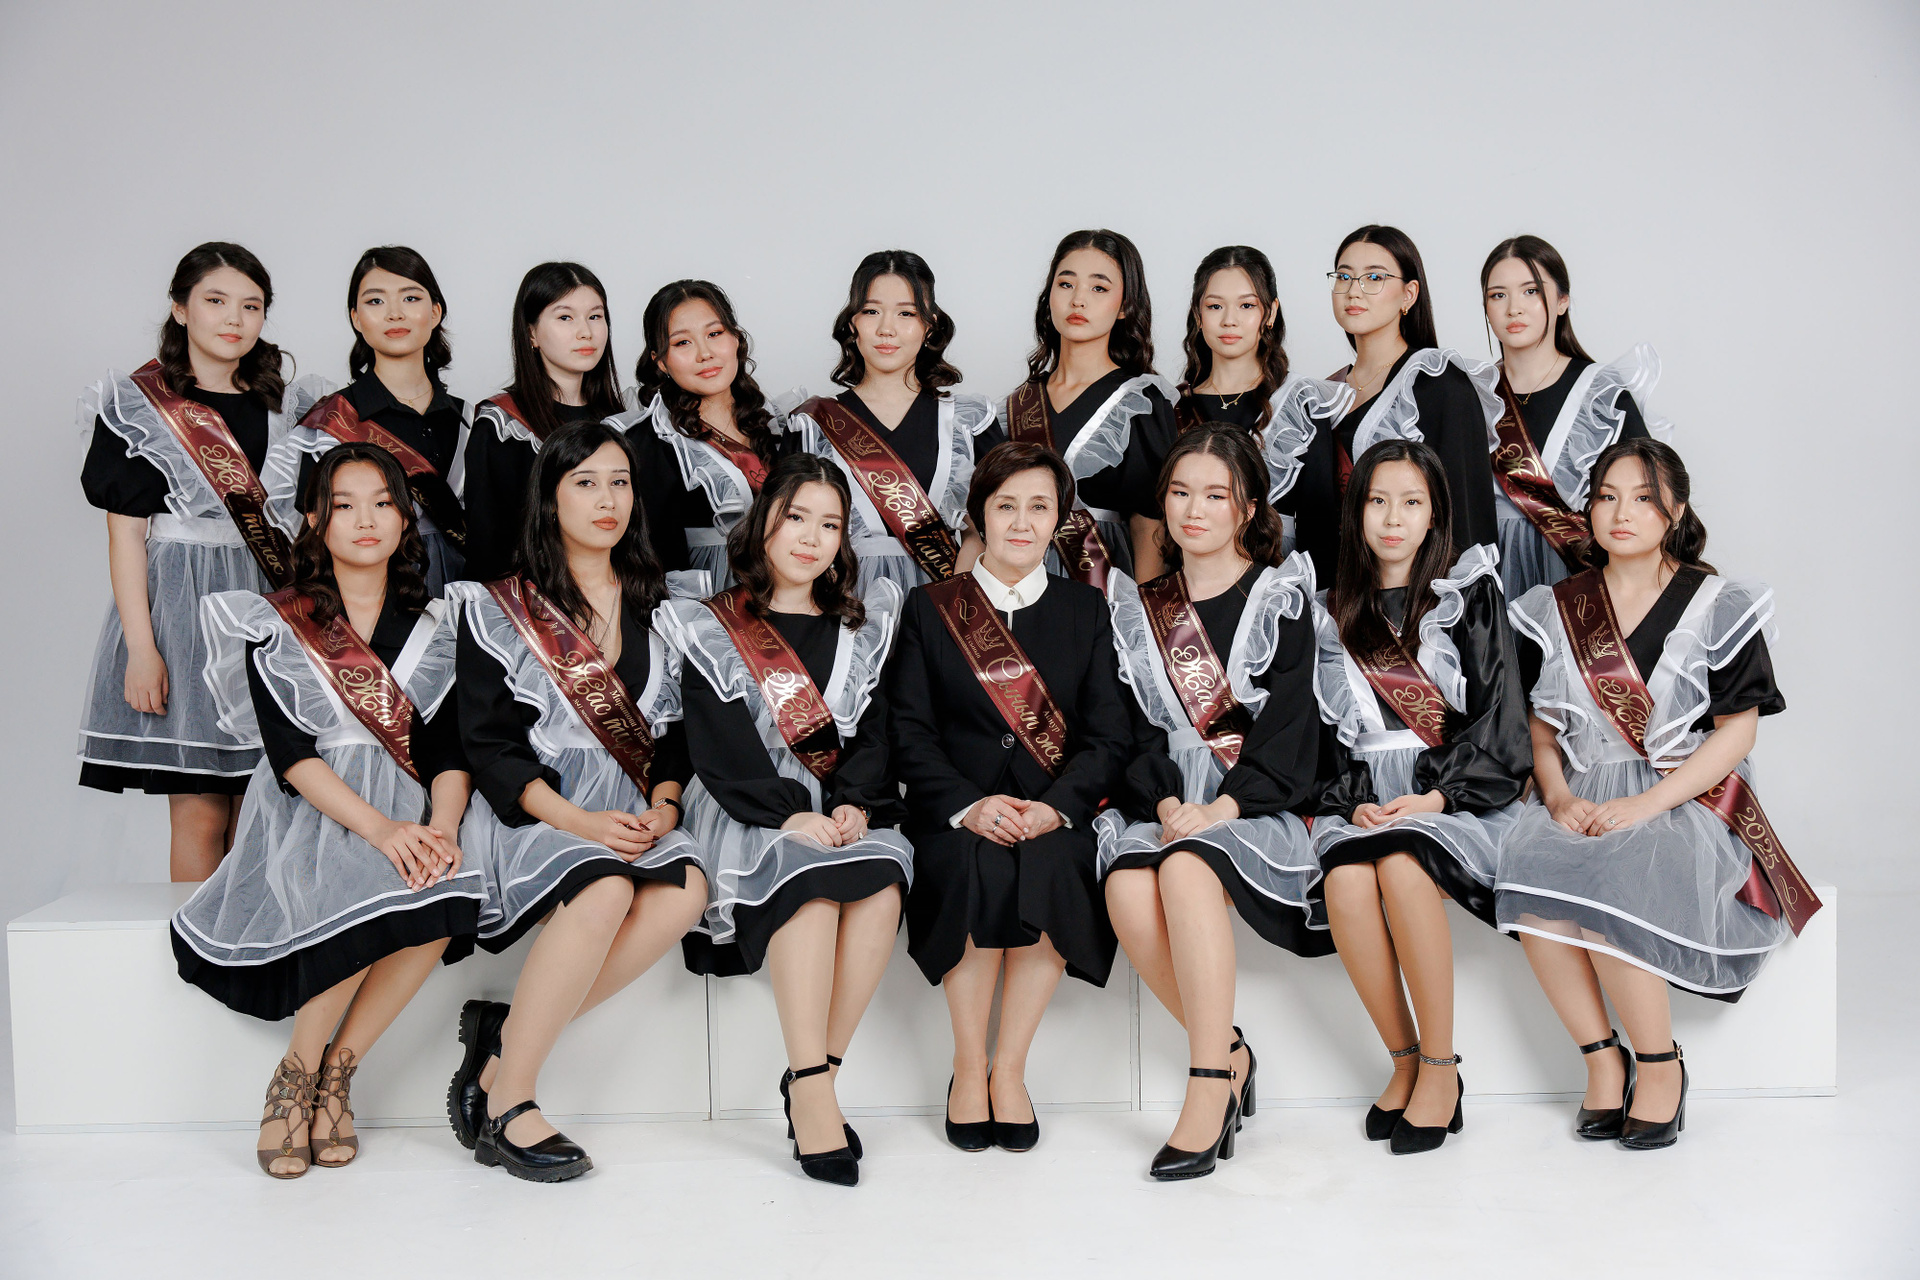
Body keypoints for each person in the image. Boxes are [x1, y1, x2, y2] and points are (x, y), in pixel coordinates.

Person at [171, 443, 480, 1178]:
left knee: (447, 889)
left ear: (405, 520)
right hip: (315, 812)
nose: (366, 520)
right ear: (315, 519)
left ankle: (339, 1070)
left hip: (413, 809)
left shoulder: (436, 628)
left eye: (383, 503)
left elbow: (449, 752)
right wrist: (381, 830)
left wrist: (439, 828)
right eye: (344, 505)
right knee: (360, 882)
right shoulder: (276, 623)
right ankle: (296, 1073)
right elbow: (292, 756)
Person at [1497, 438, 1815, 1150]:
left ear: (1675, 510)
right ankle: (1602, 1062)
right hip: (1586, 790)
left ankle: (1660, 1064)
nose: (1622, 513)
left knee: (1613, 881)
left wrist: (1645, 806)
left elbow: (1738, 733)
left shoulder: (1718, 604)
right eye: (1606, 497)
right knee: (1531, 878)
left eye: (1643, 498)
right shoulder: (1557, 608)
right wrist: (1558, 799)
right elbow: (1541, 733)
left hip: (1686, 797)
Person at [445, 420, 711, 1182]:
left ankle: (501, 1046)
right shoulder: (499, 609)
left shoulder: (666, 605)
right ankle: (513, 1101)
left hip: (630, 808)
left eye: (620, 482)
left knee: (685, 889)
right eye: (585, 483)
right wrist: (580, 823)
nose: (607, 500)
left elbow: (678, 736)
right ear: (549, 498)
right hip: (541, 810)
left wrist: (665, 805)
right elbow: (489, 745)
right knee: (605, 887)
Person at [660, 453, 910, 1186]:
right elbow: (717, 741)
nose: (810, 537)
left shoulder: (860, 627)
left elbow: (873, 734)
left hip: (835, 804)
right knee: (812, 886)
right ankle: (812, 1087)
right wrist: (790, 817)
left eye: (829, 524)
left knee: (881, 886)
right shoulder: (713, 622)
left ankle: (816, 1075)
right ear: (762, 520)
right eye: (796, 516)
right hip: (747, 802)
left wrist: (854, 801)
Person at [890, 441, 1131, 1153]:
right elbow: (908, 730)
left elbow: (1109, 735)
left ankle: (1010, 1068)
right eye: (1005, 506)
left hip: (1052, 810)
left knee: (1052, 863)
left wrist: (1059, 806)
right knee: (969, 863)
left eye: (1039, 507)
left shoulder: (1086, 610)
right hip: (957, 811)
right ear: (978, 515)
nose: (1022, 522)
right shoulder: (931, 608)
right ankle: (969, 1067)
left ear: (1059, 520)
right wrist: (967, 805)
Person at [1098, 425, 1325, 1180]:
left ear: (1247, 508)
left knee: (1186, 868)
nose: (1194, 510)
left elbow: (1291, 729)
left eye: (1215, 495)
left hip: (1253, 805)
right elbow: (1133, 732)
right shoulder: (1139, 608)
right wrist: (1167, 805)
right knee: (1127, 887)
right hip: (1172, 803)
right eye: (1180, 492)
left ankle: (1205, 1086)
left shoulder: (1279, 596)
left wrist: (1218, 811)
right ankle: (1230, 1051)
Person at [1308, 439, 1530, 1154]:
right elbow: (1322, 735)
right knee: (1346, 880)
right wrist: (1351, 801)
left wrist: (1436, 799)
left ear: (1435, 513)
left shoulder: (1468, 595)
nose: (1393, 519)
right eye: (1377, 501)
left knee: (1403, 868)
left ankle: (1440, 1066)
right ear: (1356, 511)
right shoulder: (1329, 611)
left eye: (1411, 502)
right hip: (1368, 794)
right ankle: (1403, 1061)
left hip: (1453, 796)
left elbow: (1500, 720)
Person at [78, 240, 325, 880]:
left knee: (263, 807)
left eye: (251, 305)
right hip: (182, 610)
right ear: (180, 308)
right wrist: (142, 648)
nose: (234, 319)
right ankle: (193, 937)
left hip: (267, 607)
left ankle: (244, 933)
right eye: (216, 301)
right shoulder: (141, 408)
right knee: (200, 811)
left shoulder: (290, 407)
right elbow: (125, 538)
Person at [786, 250, 998, 591]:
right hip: (842, 600)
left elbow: (994, 523)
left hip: (946, 597)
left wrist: (957, 593)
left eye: (906, 313)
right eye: (871, 311)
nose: (886, 329)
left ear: (930, 325)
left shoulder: (969, 422)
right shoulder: (813, 424)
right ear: (852, 323)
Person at [266, 246, 468, 593]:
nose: (394, 313)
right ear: (356, 318)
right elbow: (312, 549)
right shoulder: (330, 424)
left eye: (410, 298)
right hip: (370, 604)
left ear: (435, 312)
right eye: (375, 301)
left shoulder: (472, 419)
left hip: (468, 598)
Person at [465, 262, 683, 581]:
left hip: (623, 594)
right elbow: (487, 547)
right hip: (534, 600)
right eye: (565, 317)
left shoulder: (628, 421)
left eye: (595, 316)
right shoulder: (502, 426)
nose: (586, 332)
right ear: (531, 332)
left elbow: (655, 535)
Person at [1479, 235, 1669, 598]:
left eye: (1531, 291)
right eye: (1498, 295)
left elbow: (1651, 499)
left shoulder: (1601, 396)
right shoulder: (1472, 394)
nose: (1514, 308)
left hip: (1578, 579)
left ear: (1562, 300)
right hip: (1488, 580)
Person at [1002, 229, 1179, 587]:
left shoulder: (1140, 401)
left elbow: (1150, 525)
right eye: (1066, 284)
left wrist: (1142, 608)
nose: (1078, 300)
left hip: (1102, 587)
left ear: (1125, 305)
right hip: (1017, 586)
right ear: (1049, 296)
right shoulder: (1018, 404)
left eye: (1099, 288)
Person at [1174, 245, 1353, 582]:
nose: (1229, 320)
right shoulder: (1173, 406)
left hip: (1277, 588)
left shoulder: (1300, 402)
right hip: (1187, 592)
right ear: (1198, 315)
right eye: (1215, 306)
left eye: (1246, 305)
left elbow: (1320, 529)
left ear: (1270, 313)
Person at [1323, 225, 1504, 556]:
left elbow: (1465, 516)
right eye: (1344, 277)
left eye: (1374, 278)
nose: (1353, 291)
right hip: (1338, 577)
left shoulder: (1439, 383)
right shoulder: (1324, 391)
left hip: (1417, 581)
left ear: (1409, 294)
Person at [628, 280, 786, 585]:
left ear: (736, 339)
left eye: (714, 334)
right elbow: (648, 560)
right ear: (660, 361)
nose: (705, 353)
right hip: (705, 604)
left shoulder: (779, 426)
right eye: (682, 343)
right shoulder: (649, 445)